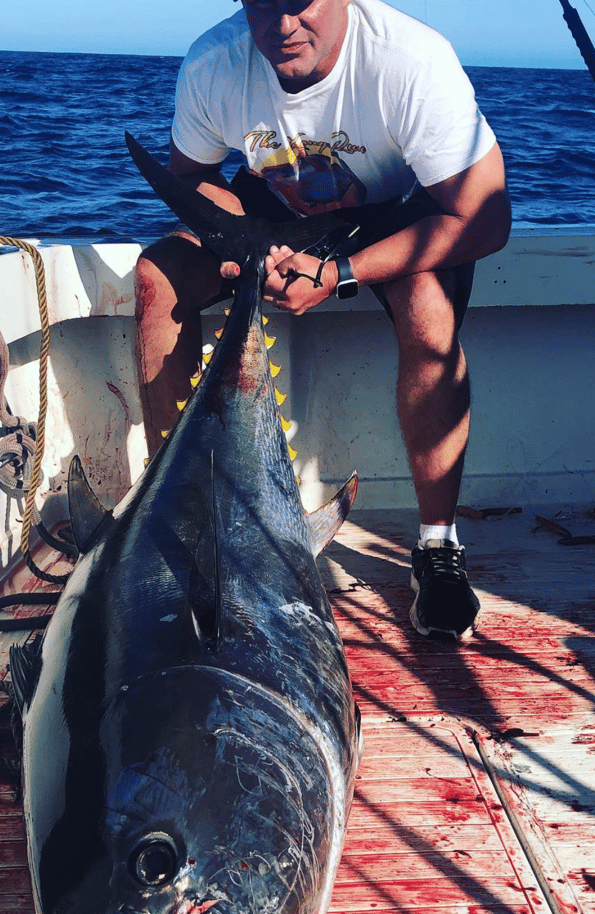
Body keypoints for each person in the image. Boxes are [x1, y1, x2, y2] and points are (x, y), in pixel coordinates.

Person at [133, 0, 512, 639]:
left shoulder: (411, 59)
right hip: (272, 219)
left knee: (428, 308)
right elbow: (193, 179)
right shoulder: (214, 62)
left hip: (392, 215)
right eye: (262, 6)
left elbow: (484, 217)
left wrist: (338, 273)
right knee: (155, 277)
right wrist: (237, 248)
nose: (282, 26)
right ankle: (174, 522)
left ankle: (437, 548)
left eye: (301, 3)